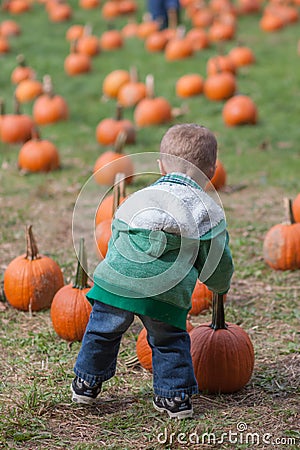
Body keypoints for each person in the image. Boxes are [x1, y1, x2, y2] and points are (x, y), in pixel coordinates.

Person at [71, 123, 234, 419]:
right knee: (169, 341)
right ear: (211, 172)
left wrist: (115, 271)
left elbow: (117, 233)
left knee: (102, 331)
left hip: (117, 281)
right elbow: (216, 258)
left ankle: (86, 381)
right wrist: (220, 286)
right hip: (164, 294)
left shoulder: (139, 198)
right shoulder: (206, 211)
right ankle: (175, 399)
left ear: (160, 165)